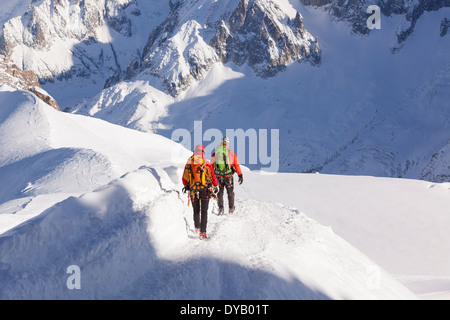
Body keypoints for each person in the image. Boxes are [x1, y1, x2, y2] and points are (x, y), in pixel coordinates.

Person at [182, 144, 218, 240]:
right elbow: (213, 177)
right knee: (204, 211)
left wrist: (187, 185)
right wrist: (215, 186)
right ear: (203, 152)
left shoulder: (189, 163)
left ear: (194, 152)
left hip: (193, 190)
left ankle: (197, 227)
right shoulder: (206, 163)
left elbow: (184, 178)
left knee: (196, 210)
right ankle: (203, 232)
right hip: (205, 190)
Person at [211, 137, 243, 215]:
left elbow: (211, 166)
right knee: (230, 192)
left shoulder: (215, 153)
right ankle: (231, 208)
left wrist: (210, 176)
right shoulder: (231, 153)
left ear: (220, 143)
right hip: (228, 176)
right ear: (228, 143)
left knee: (220, 192)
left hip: (218, 176)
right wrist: (240, 175)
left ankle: (221, 209)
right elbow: (236, 165)